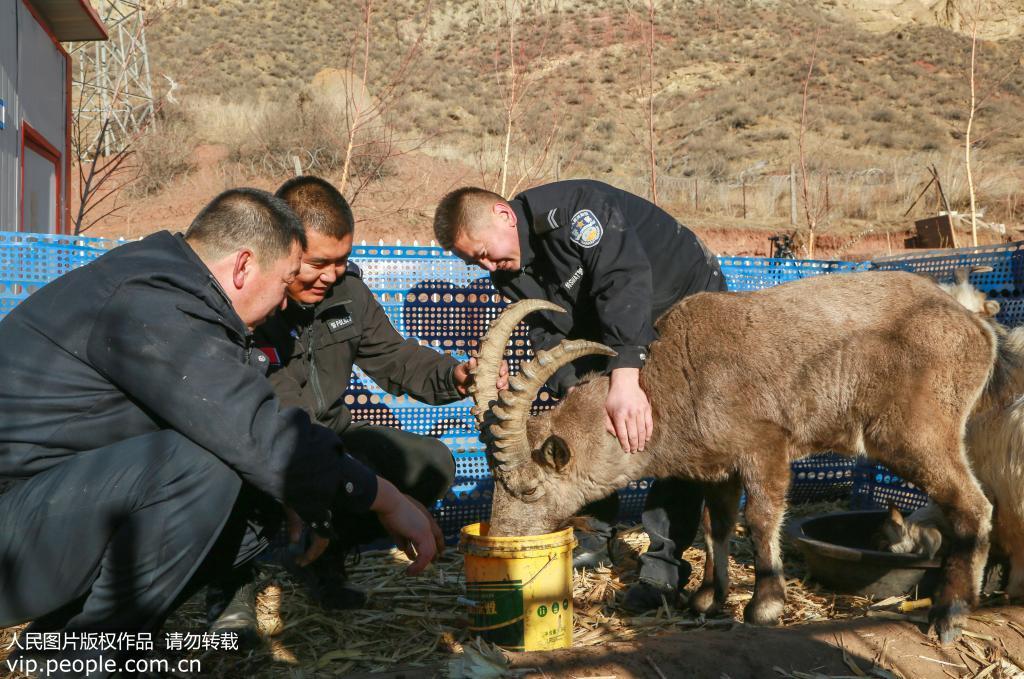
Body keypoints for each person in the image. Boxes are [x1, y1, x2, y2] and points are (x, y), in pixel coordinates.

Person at [0, 188, 437, 675]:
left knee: (252, 495)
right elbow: (254, 430)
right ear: (244, 266)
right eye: (286, 279)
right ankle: (90, 657)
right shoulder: (149, 304)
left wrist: (302, 493)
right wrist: (387, 499)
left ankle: (63, 646)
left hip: (41, 509)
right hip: (13, 532)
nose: (280, 304)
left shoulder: (167, 287)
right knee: (203, 464)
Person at [433, 179, 727, 612]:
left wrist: (626, 377)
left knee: (673, 432)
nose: (487, 267)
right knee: (587, 423)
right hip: (606, 326)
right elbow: (546, 330)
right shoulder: (510, 270)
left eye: (481, 253)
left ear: (503, 215)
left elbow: (621, 281)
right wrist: (576, 392)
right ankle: (593, 535)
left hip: (682, 303)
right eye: (475, 263)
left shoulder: (575, 212)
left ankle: (663, 569)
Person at [251, 176, 506, 612]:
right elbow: (281, 408)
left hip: (331, 435)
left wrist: (456, 376)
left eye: (341, 260)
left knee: (431, 464)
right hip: (268, 447)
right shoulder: (254, 303)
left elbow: (394, 357)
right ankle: (238, 584)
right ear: (284, 249)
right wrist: (378, 493)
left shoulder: (347, 293)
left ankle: (324, 564)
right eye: (317, 262)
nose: (331, 276)